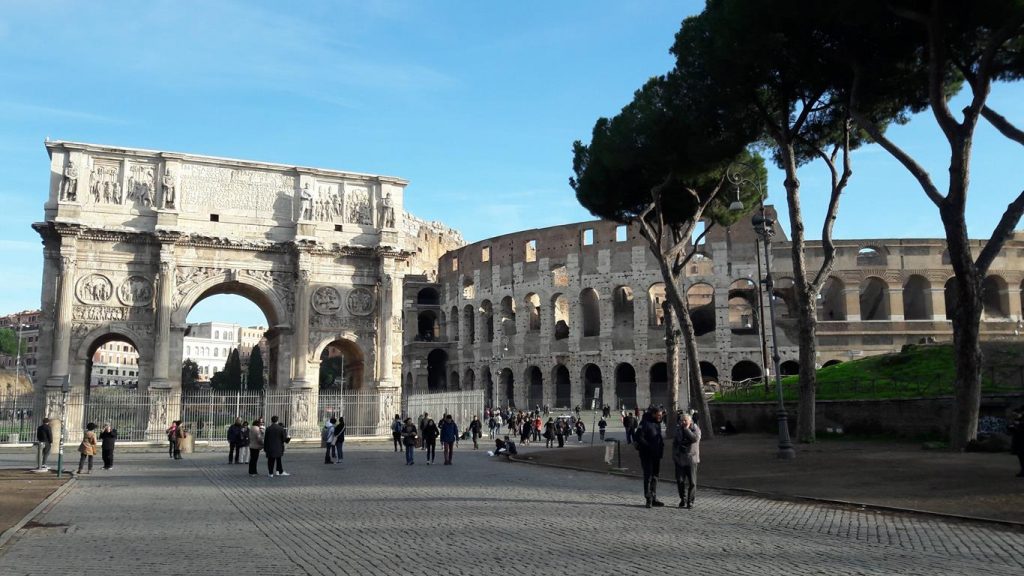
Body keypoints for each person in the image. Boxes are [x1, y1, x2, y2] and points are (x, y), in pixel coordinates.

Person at [635, 406, 666, 508]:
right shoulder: (645, 423)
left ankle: (654, 497)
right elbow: (638, 437)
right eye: (658, 415)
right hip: (646, 454)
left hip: (656, 455)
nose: (660, 417)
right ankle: (648, 498)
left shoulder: (657, 424)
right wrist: (649, 447)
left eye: (661, 415)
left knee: (655, 477)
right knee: (648, 476)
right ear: (653, 414)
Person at [673, 412, 701, 509]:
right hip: (680, 459)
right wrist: (675, 456)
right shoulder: (678, 429)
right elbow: (675, 443)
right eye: (682, 420)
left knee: (692, 482)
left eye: (685, 420)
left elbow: (694, 438)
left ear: (690, 421)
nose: (683, 422)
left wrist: (686, 429)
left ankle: (690, 501)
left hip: (691, 459)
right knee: (680, 481)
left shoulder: (696, 429)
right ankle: (683, 499)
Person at [1010, 407, 1024, 478]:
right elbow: (1011, 429)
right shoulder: (1016, 420)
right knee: (1020, 455)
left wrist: (1019, 424)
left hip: (1021, 440)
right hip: (1018, 439)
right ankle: (1023, 470)